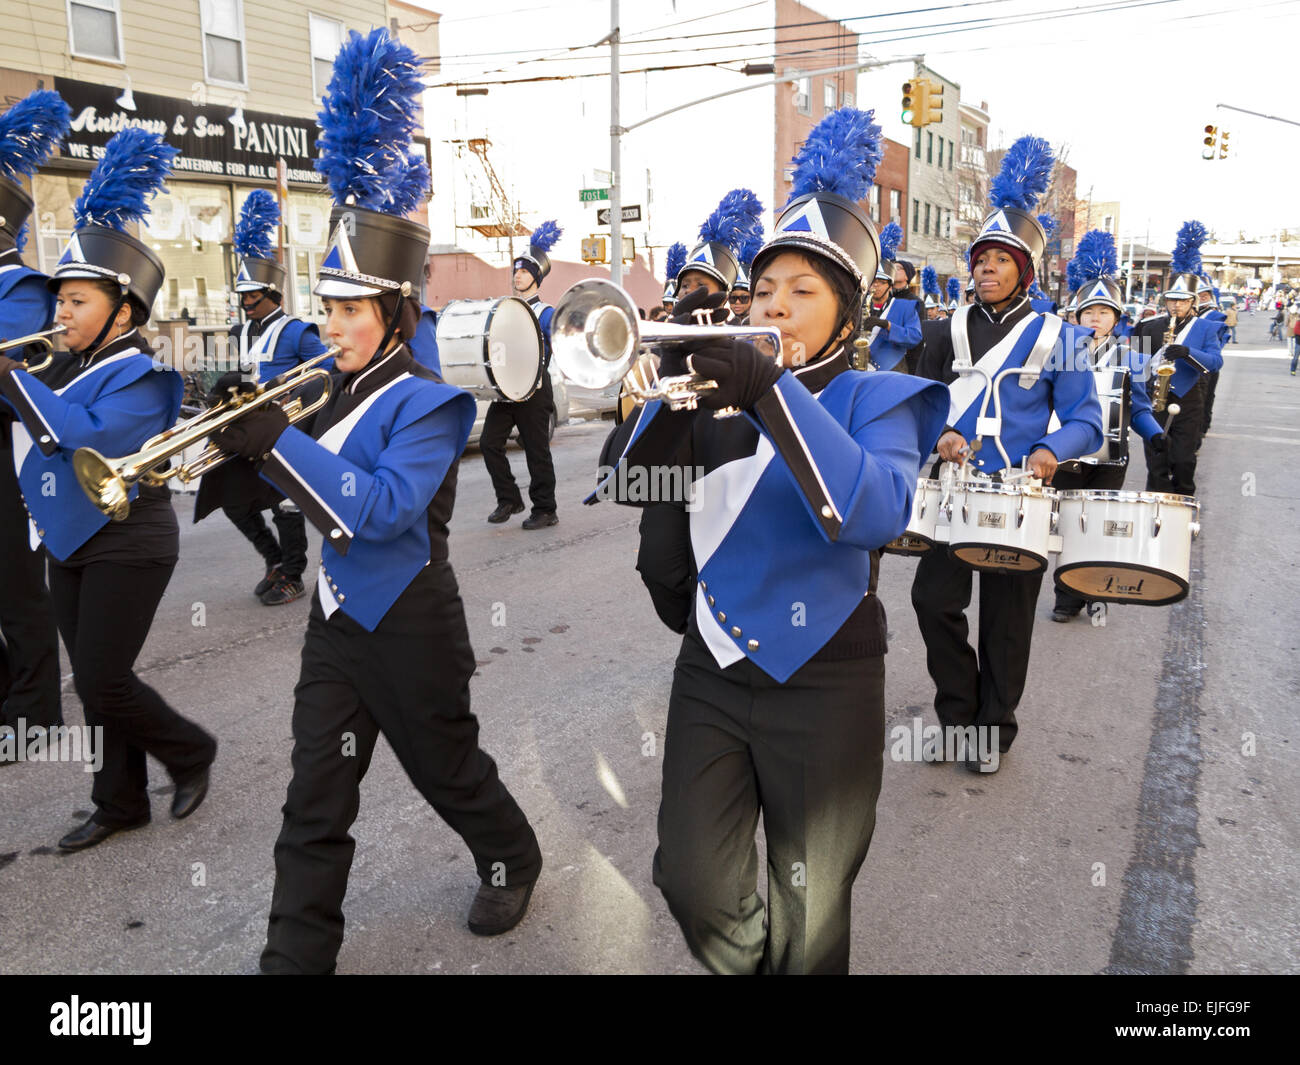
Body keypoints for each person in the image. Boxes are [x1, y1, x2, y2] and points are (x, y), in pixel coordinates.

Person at [209, 28, 543, 973]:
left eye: (352, 309)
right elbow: (309, 492)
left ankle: (513, 851)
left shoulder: (433, 402)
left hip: (410, 621)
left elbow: (381, 508)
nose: (334, 324)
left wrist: (278, 444)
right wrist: (244, 442)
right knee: (315, 797)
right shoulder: (320, 386)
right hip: (335, 620)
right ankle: (295, 958)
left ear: (395, 311)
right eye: (328, 307)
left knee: (448, 771)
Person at [593, 108, 947, 974]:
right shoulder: (713, 384)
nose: (775, 306)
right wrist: (651, 404)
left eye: (803, 292)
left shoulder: (880, 397)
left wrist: (770, 392)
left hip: (827, 674)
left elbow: (875, 512)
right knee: (689, 876)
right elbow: (631, 489)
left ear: (845, 314)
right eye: (764, 291)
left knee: (812, 911)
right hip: (711, 666)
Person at [0, 128, 216, 848]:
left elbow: (78, 436)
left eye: (78, 301)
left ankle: (190, 750)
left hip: (131, 539)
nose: (60, 311)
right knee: (96, 685)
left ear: (123, 311)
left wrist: (14, 378)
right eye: (58, 299)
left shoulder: (146, 376)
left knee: (103, 678)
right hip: (68, 535)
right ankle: (119, 799)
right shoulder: (58, 366)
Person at [911, 136, 1104, 775]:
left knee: (1007, 619)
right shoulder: (945, 331)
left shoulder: (1065, 337)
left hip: (1021, 494)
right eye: (980, 259)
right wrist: (938, 434)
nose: (986, 268)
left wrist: (1051, 448)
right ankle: (956, 713)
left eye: (1000, 259)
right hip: (955, 490)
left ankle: (993, 730)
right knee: (933, 601)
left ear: (1026, 269)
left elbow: (1088, 422)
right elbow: (922, 402)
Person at [204, 190, 328, 606]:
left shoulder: (298, 330)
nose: (245, 303)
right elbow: (235, 374)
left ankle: (292, 575)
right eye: (242, 296)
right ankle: (274, 559)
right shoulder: (240, 332)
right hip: (245, 428)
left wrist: (287, 391)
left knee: (286, 504)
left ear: (273, 293)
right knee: (232, 499)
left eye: (252, 296)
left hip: (285, 427)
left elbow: (326, 373)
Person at [0, 90, 69, 764]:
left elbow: (18, 371)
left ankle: (35, 711)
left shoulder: (21, 286)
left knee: (17, 588)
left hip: (11, 458)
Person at [1049, 233, 1164, 623]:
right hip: (1069, 452)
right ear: (1077, 316)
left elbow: (1141, 407)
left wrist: (1155, 434)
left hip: (1111, 456)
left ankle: (1096, 592)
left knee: (1098, 527)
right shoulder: (1062, 350)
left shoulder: (1135, 355)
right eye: (1088, 313)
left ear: (1117, 318)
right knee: (1067, 523)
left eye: (1103, 313)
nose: (1095, 319)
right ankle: (1066, 596)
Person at [1130, 223, 1223, 497]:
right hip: (1153, 397)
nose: (1176, 306)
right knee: (1156, 461)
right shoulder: (1149, 326)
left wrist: (1187, 353)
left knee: (1183, 459)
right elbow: (1135, 363)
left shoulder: (1205, 328)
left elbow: (1216, 362)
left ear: (1192, 302)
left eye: (1182, 301)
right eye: (1172, 300)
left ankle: (1183, 503)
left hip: (1189, 397)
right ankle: (1156, 507)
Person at [480, 220, 562, 529]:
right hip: (505, 389)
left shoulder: (546, 313)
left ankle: (545, 508)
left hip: (535, 389)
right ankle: (509, 499)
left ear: (536, 277)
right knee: (489, 443)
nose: (518, 275)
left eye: (525, 271)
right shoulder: (505, 308)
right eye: (516, 271)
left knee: (536, 451)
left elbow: (556, 347)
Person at [863, 221, 922, 373]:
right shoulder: (859, 305)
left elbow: (915, 337)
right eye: (872, 282)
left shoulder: (905, 307)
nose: (875, 286)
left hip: (894, 370)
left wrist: (887, 325)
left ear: (890, 285)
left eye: (880, 282)